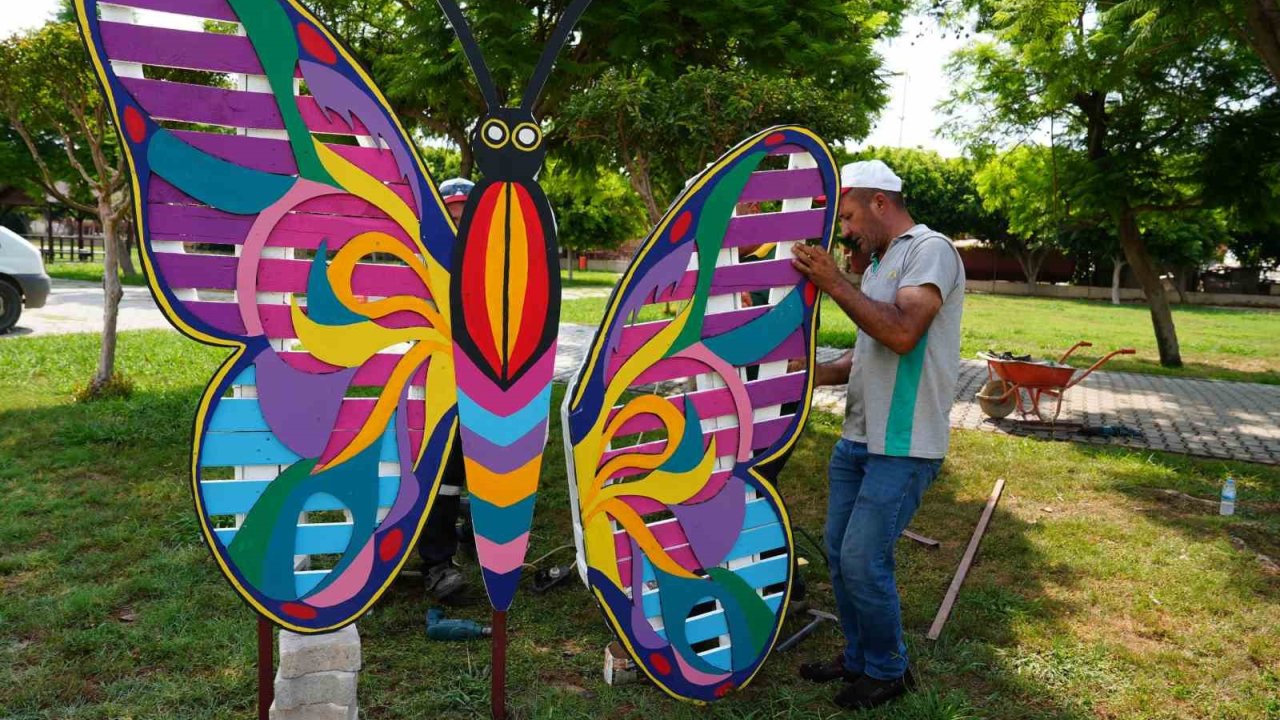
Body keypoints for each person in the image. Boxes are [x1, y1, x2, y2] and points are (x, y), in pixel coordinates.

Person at [789, 160, 965, 711]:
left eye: (847, 216)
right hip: (859, 438)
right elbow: (865, 353)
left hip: (904, 443)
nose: (844, 230)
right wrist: (805, 374)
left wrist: (834, 282)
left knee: (865, 559)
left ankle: (889, 670)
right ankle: (859, 657)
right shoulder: (881, 264)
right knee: (841, 555)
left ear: (879, 203)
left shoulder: (930, 250)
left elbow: (903, 333)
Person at [418, 177, 476, 601]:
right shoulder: (422, 265)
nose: (459, 229)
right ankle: (437, 562)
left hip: (490, 382)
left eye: (466, 219)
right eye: (450, 219)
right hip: (440, 381)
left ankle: (482, 539)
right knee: (444, 472)